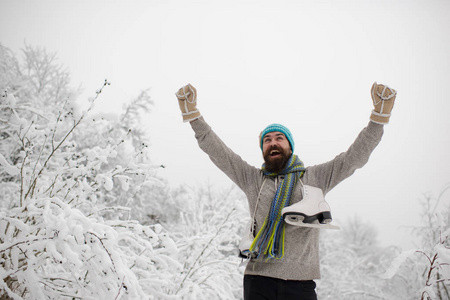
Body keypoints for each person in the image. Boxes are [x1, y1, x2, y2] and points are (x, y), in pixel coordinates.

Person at [175, 82, 396, 300]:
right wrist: (194, 117)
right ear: (263, 149)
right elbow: (219, 153)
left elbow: (353, 158)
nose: (273, 143)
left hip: (300, 285)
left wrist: (378, 119)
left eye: (279, 138)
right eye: (267, 140)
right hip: (258, 279)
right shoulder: (254, 180)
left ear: (290, 146)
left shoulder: (314, 178)